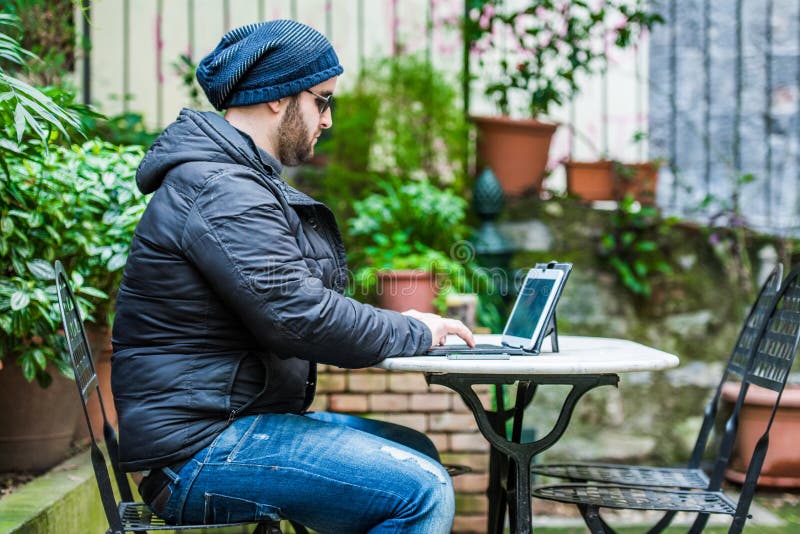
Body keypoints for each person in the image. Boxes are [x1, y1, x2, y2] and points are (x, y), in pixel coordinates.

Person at [111, 19, 474, 533]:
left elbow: (297, 302)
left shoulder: (235, 180)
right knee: (421, 488)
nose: (327, 119)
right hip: (199, 450)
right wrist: (414, 330)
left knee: (414, 449)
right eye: (321, 100)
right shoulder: (223, 189)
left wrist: (402, 324)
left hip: (220, 427)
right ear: (279, 98)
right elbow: (300, 316)